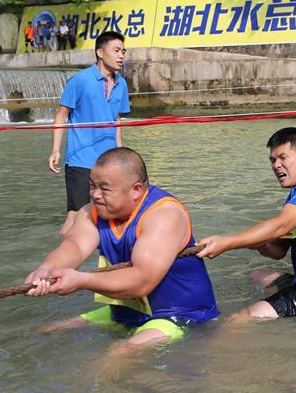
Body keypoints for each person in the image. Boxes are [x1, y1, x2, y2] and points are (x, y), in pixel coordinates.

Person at [25, 148, 219, 347]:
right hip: (128, 312)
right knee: (49, 329)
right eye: (92, 186)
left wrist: (81, 280)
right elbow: (75, 246)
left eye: (105, 188)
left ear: (136, 190)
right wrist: (46, 269)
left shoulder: (163, 214)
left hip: (180, 314)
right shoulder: (91, 212)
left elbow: (143, 281)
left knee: (120, 350)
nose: (95, 195)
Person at [197, 128, 296, 320]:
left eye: (283, 158)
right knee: (257, 275)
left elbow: (280, 226)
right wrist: (255, 242)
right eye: (273, 160)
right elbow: (278, 250)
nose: (276, 165)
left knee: (243, 317)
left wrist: (227, 242)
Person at [49, 31, 130, 236]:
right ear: (100, 53)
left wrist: (120, 153)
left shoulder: (122, 84)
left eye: (123, 51)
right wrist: (55, 150)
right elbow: (61, 115)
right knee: (75, 215)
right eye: (116, 50)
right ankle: (60, 261)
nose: (121, 55)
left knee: (109, 213)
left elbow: (117, 119)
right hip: (80, 161)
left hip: (108, 163)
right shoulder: (81, 80)